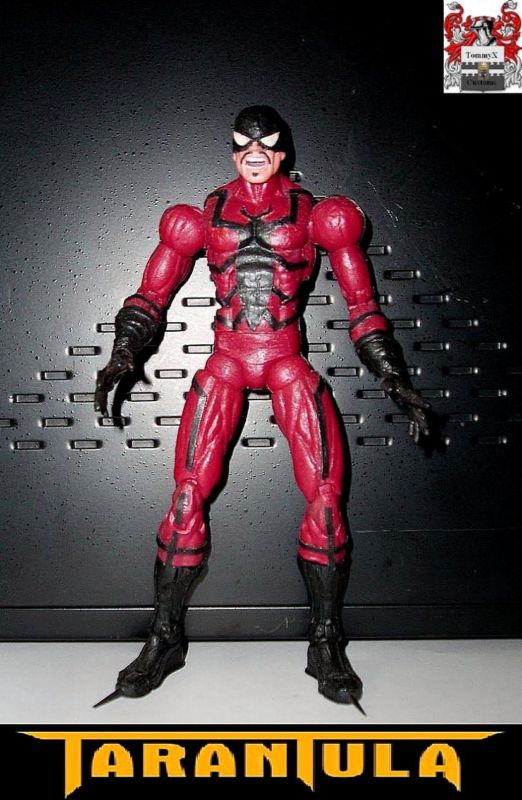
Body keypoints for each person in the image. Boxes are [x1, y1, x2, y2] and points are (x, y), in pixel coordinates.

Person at [94, 105, 429, 709]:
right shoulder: (199, 217)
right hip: (227, 358)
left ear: (281, 152)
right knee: (186, 498)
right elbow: (151, 294)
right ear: (232, 150)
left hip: (284, 357)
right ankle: (165, 638)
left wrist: (392, 376)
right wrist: (122, 352)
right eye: (244, 145)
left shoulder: (321, 216)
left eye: (266, 145)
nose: (255, 154)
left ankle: (325, 641)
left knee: (325, 501)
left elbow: (362, 305)